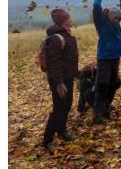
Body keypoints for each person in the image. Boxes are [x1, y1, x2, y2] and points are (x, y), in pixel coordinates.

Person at [91, 0, 121, 123]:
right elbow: (96, 8)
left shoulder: (116, 19)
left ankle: (106, 107)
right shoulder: (101, 22)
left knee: (113, 83)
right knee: (102, 83)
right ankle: (97, 114)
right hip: (104, 58)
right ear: (109, 15)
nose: (117, 21)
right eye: (115, 18)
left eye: (119, 18)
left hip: (115, 57)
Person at [43, 8, 79, 152]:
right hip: (59, 81)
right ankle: (47, 140)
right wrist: (58, 83)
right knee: (58, 108)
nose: (71, 20)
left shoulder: (67, 35)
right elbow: (54, 63)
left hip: (68, 78)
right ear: (62, 21)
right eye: (68, 19)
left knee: (67, 104)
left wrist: (77, 75)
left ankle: (62, 130)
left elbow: (71, 59)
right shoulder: (55, 39)